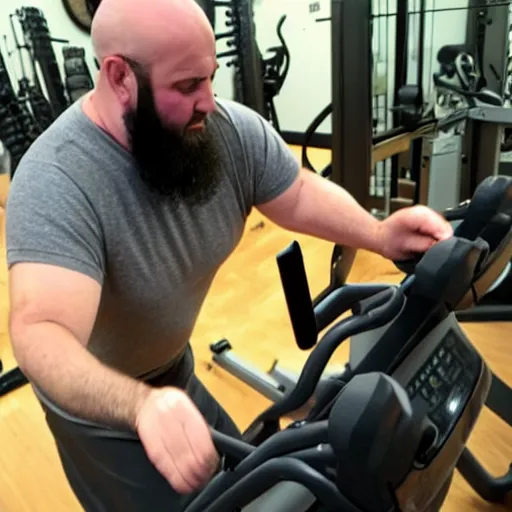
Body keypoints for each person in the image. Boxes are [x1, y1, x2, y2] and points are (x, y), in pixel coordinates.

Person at [5, 0, 453, 510]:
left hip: (172, 376)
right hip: (102, 413)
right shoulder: (57, 179)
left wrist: (380, 234)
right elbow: (40, 333)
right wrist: (139, 406)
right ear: (120, 76)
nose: (209, 102)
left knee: (249, 484)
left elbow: (298, 192)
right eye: (187, 85)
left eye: (210, 78)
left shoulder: (223, 131)